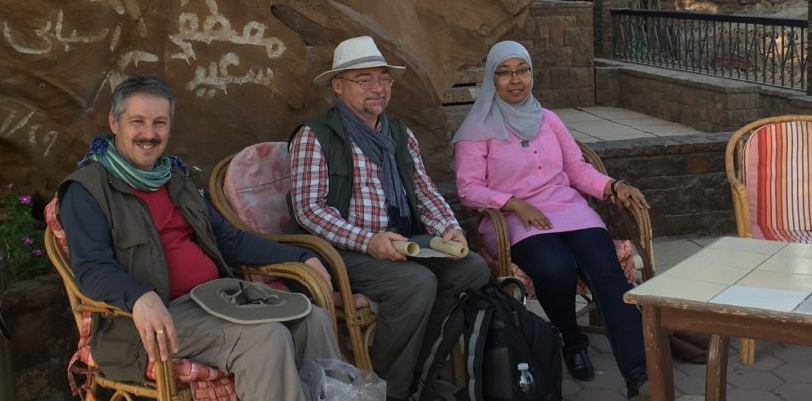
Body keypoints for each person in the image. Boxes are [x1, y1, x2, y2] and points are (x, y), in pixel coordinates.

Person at [58, 75, 341, 401]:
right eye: (138, 122)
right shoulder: (87, 189)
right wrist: (138, 296)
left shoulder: (173, 177)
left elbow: (229, 240)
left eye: (159, 123)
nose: (149, 134)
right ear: (114, 122)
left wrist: (300, 257)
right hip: (154, 319)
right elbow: (91, 268)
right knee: (267, 337)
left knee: (312, 318)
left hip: (217, 299)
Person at [289, 36, 490, 401]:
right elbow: (309, 210)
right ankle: (388, 389)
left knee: (471, 268)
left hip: (400, 240)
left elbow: (425, 192)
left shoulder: (399, 134)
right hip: (343, 251)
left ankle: (422, 373)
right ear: (338, 87)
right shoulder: (315, 136)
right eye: (364, 80)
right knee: (415, 284)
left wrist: (450, 229)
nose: (377, 88)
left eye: (383, 79)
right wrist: (368, 240)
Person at [453, 40, 651, 400]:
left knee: (605, 271)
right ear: (491, 79)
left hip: (568, 209)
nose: (516, 80)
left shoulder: (548, 119)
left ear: (532, 74)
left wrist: (613, 186)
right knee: (555, 268)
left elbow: (576, 169)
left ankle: (639, 376)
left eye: (522, 70)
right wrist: (513, 203)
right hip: (515, 219)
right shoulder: (477, 129)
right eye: (504, 72)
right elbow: (468, 189)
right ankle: (572, 341)